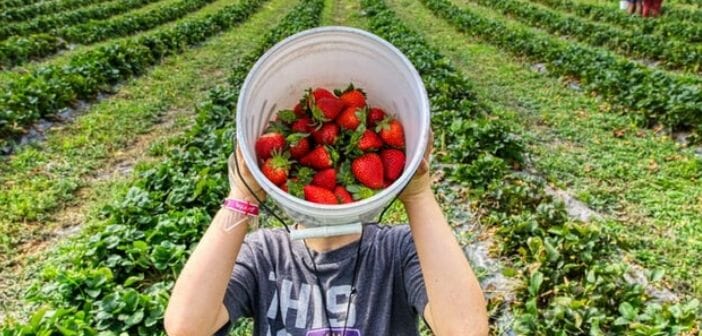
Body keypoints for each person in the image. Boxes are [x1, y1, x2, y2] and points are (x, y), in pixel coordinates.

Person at [163, 133, 489, 336]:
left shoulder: (398, 250)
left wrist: (418, 193)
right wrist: (243, 196)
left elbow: (465, 330)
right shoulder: (263, 255)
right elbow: (187, 328)